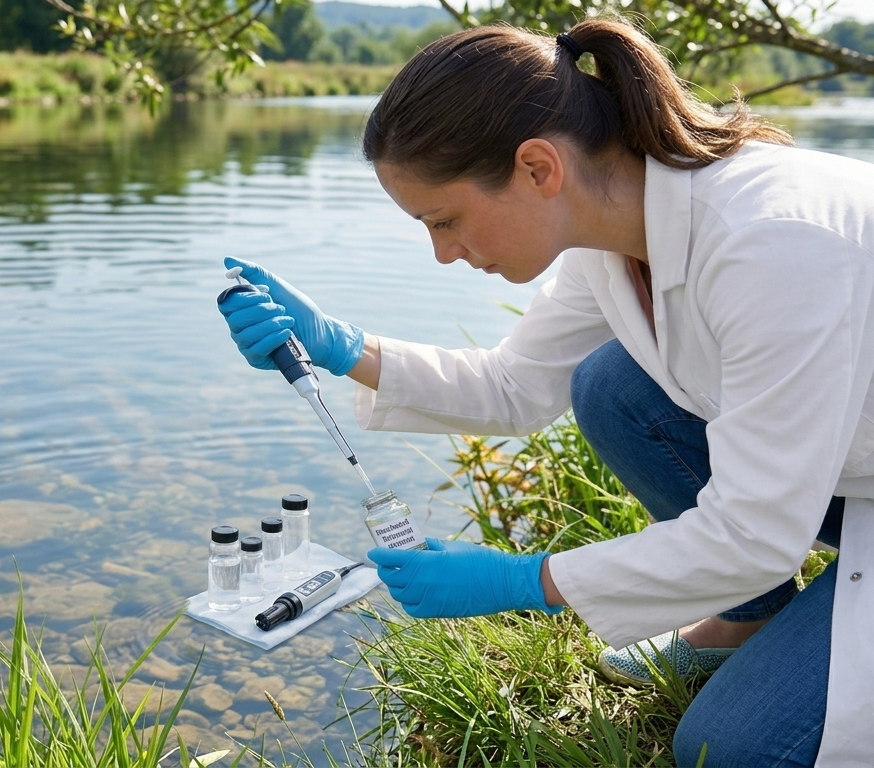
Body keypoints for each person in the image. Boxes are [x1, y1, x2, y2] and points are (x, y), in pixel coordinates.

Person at [216, 18, 874, 767]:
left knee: (731, 747)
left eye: (446, 219)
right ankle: (749, 620)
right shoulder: (616, 226)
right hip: (846, 470)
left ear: (537, 168)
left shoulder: (773, 242)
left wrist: (523, 579)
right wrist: (339, 345)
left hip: (824, 490)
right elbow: (516, 386)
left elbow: (754, 534)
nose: (443, 254)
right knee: (609, 383)